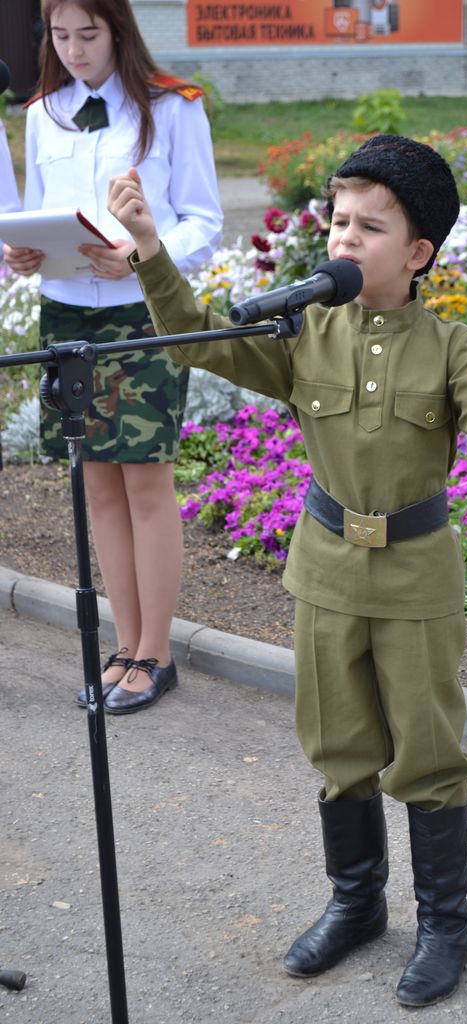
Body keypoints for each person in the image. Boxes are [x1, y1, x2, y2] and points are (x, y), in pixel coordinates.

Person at [108, 134, 467, 1005]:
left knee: (424, 753)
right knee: (339, 748)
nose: (344, 239)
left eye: (369, 227)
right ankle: (355, 905)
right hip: (325, 570)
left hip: (416, 579)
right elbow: (198, 342)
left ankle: (444, 928)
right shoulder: (304, 331)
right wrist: (151, 253)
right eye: (338, 221)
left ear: (417, 254)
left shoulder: (452, 345)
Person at [2, 0, 223, 714]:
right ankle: (124, 647)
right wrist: (23, 254)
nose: (72, 49)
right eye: (60, 36)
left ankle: (155, 654)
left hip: (143, 313)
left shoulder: (171, 108)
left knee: (146, 485)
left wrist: (140, 256)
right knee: (98, 485)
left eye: (87, 34)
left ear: (118, 30)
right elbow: (36, 212)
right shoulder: (44, 113)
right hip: (68, 314)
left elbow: (202, 220)